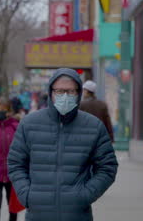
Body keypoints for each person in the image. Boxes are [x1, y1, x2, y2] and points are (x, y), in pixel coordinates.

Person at [8, 68, 118, 221]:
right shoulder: (29, 124)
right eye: (59, 91)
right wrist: (26, 194)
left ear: (79, 93)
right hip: (38, 214)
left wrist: (85, 195)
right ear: (51, 92)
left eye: (70, 91)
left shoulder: (93, 126)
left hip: (77, 215)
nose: (65, 96)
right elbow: (16, 163)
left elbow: (108, 167)